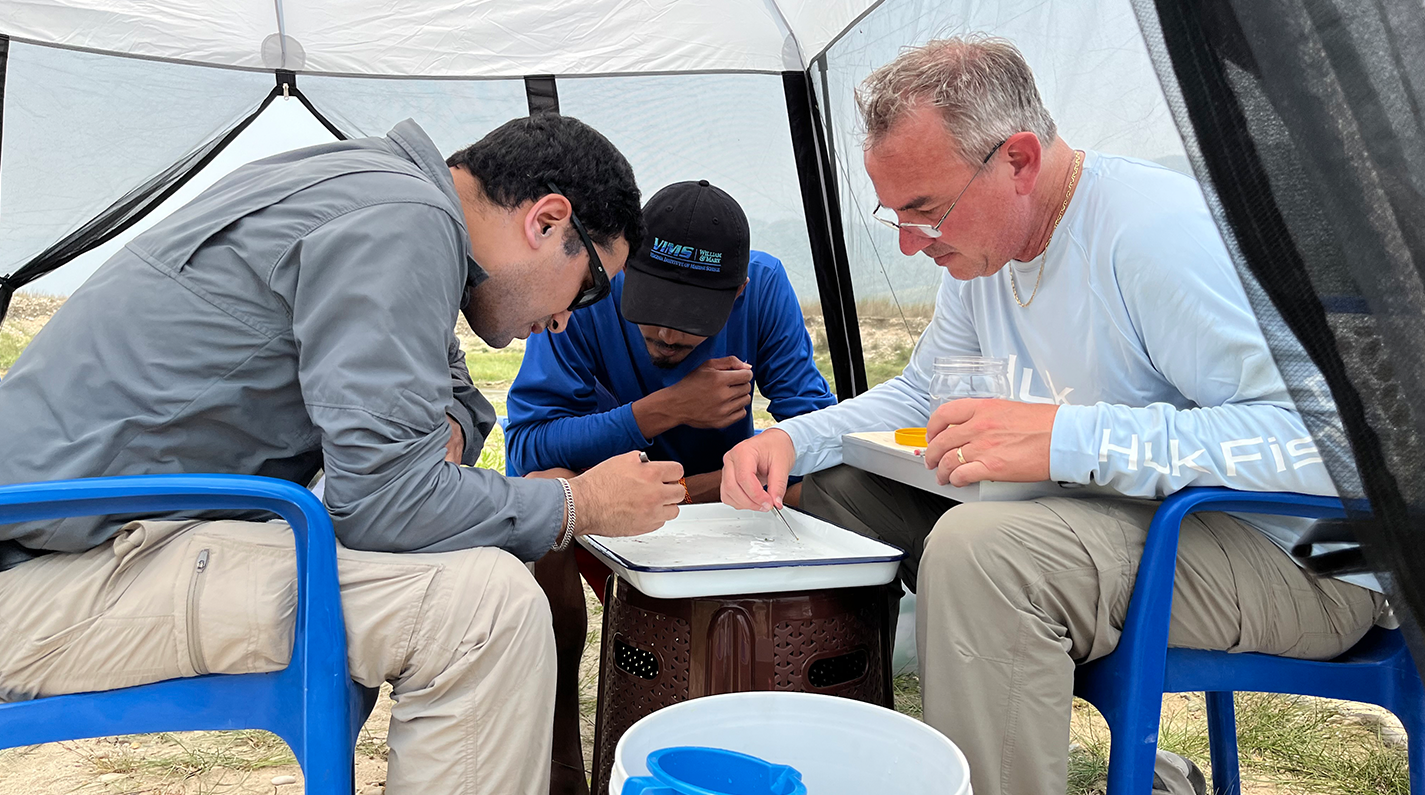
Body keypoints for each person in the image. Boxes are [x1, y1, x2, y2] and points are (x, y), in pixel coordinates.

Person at [721, 36, 1388, 795]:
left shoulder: (1152, 236)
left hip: (1300, 553)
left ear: (1018, 161)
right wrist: (785, 437)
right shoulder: (981, 254)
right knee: (840, 491)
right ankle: (864, 764)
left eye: (925, 210)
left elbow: (1330, 442)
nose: (909, 244)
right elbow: (921, 395)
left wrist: (1070, 439)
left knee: (985, 551)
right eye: (892, 216)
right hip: (1143, 522)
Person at [0, 115, 688, 795]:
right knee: (486, 609)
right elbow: (385, 501)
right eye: (592, 285)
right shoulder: (401, 220)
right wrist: (579, 503)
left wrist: (436, 432)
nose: (571, 317)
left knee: (466, 558)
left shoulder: (380, 193)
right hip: (37, 576)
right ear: (546, 220)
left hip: (84, 545)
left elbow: (451, 403)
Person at [504, 179, 835, 793]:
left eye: (690, 324)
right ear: (629, 264)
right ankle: (561, 762)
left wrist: (713, 479)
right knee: (542, 495)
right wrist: (665, 409)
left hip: (722, 507)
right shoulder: (587, 290)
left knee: (820, 485)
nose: (667, 337)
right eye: (650, 314)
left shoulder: (762, 287)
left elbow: (814, 427)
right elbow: (528, 448)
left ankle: (783, 734)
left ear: (734, 296)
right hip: (604, 517)